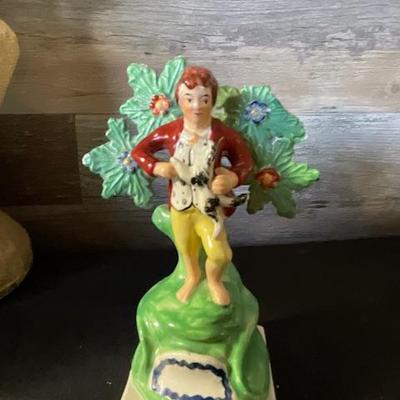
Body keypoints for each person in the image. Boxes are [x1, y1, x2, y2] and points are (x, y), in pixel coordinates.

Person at [132, 66, 253, 306]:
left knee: (220, 254)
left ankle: (215, 280)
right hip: (180, 204)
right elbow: (139, 151)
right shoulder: (171, 132)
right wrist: (156, 166)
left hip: (209, 206)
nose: (197, 106)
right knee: (186, 249)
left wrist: (232, 178)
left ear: (213, 101)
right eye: (189, 99)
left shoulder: (222, 133)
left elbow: (245, 161)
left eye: (204, 99)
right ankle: (193, 277)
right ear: (179, 101)